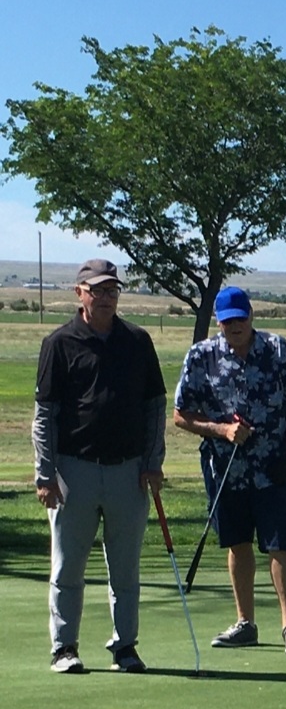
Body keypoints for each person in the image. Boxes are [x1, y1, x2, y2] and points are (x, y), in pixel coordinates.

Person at [32, 259, 167, 674]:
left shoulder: (137, 341)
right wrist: (44, 474)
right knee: (68, 568)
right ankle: (64, 648)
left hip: (129, 471)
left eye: (112, 290)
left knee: (125, 569)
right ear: (80, 293)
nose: (106, 298)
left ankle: (125, 646)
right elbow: (45, 415)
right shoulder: (59, 343)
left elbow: (155, 407)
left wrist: (152, 463)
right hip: (74, 471)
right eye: (97, 290)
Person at [173, 286, 286, 655]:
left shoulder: (278, 350)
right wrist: (222, 430)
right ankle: (245, 623)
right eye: (227, 321)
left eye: (240, 319)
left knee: (279, 544)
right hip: (225, 471)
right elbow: (181, 416)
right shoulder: (201, 356)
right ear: (218, 321)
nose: (235, 326)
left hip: (273, 468)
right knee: (237, 544)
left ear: (251, 316)